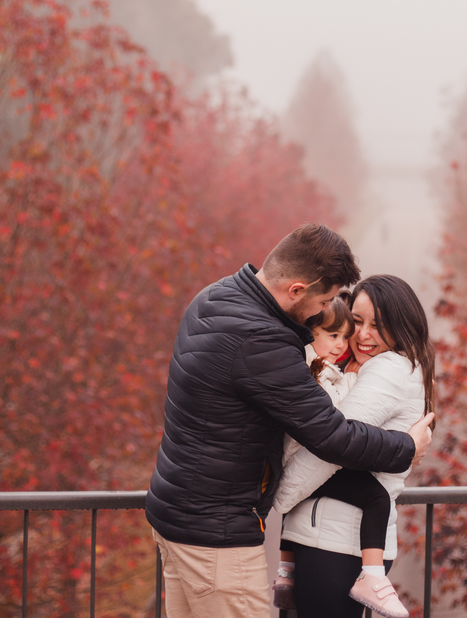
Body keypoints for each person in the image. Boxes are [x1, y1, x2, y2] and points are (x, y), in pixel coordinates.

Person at [145, 225, 436, 618]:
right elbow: (331, 434)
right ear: (297, 290)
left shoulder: (214, 296)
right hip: (216, 537)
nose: (323, 314)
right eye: (325, 301)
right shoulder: (263, 342)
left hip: (173, 514)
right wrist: (407, 447)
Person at [273, 274, 437, 618]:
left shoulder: (388, 369)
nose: (362, 335)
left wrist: (282, 494)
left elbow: (334, 443)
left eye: (377, 325)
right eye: (357, 322)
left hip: (336, 540)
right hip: (337, 537)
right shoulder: (374, 367)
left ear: (401, 326)